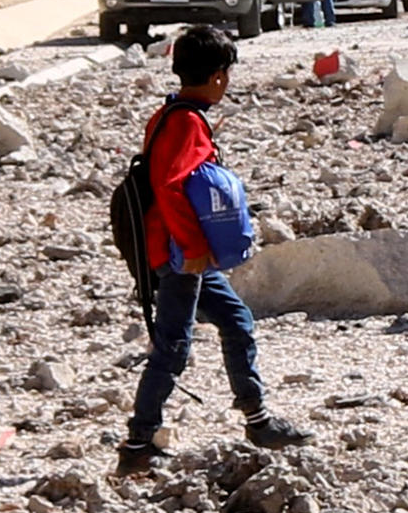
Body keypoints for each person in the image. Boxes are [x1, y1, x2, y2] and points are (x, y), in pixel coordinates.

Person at [124, 27, 307, 465]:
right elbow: (170, 186)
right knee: (172, 347)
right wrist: (191, 248)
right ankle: (137, 445)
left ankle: (258, 421)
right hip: (180, 255)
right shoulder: (185, 122)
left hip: (182, 251)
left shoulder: (172, 114)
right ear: (219, 76)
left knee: (237, 320)